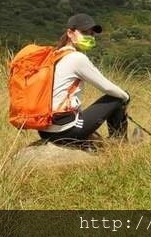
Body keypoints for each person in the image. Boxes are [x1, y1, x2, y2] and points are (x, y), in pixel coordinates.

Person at [38, 13, 130, 148]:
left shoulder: (55, 55)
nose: (90, 37)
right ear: (70, 33)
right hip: (65, 130)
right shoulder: (76, 58)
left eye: (92, 34)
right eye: (84, 32)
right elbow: (107, 88)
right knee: (118, 97)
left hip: (44, 130)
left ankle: (111, 143)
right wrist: (126, 97)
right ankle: (120, 144)